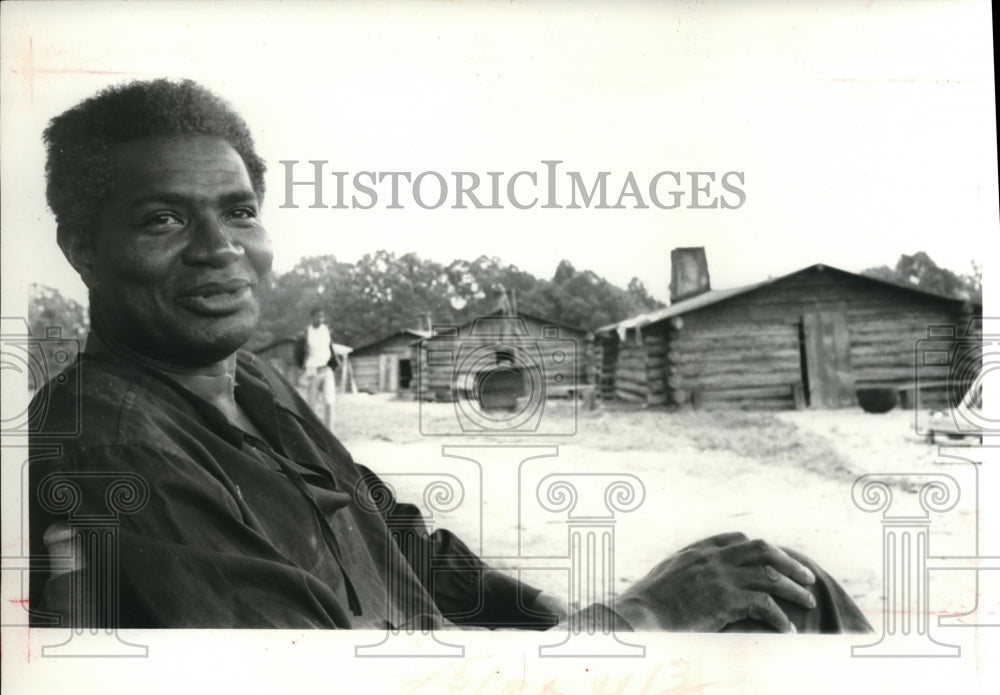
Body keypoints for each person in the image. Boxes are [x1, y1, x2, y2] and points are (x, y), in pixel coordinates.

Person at [28, 79, 871, 633]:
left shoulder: (251, 381)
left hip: (461, 686)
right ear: (83, 249)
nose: (221, 249)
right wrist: (633, 623)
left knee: (771, 583)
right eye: (163, 219)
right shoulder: (111, 439)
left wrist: (561, 617)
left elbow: (405, 544)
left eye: (240, 211)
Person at [296, 307, 339, 432]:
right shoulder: (306, 333)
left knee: (330, 402)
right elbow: (298, 353)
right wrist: (303, 367)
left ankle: (330, 433)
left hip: (326, 369)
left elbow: (330, 348)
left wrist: (334, 364)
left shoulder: (326, 330)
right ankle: (312, 434)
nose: (320, 319)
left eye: (322, 316)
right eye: (318, 316)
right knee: (311, 405)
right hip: (312, 370)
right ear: (312, 317)